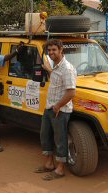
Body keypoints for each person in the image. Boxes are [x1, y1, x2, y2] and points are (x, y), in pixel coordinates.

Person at [35, 39, 77, 180]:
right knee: (44, 135)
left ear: (61, 50)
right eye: (49, 50)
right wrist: (49, 70)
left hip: (60, 110)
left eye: (54, 50)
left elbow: (71, 92)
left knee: (60, 139)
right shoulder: (56, 67)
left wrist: (58, 106)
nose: (51, 52)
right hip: (50, 107)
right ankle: (49, 164)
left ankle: (60, 169)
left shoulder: (67, 68)